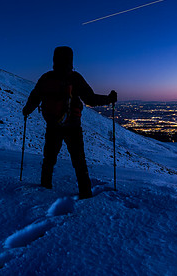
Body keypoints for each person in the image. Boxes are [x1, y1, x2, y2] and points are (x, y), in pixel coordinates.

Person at [23, 46, 117, 199]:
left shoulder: (46, 78)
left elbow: (35, 97)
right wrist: (109, 98)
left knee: (49, 159)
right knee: (79, 161)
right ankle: (85, 193)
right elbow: (90, 99)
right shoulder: (74, 78)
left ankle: (45, 188)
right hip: (72, 126)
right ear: (71, 60)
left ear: (54, 60)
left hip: (53, 125)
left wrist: (27, 110)